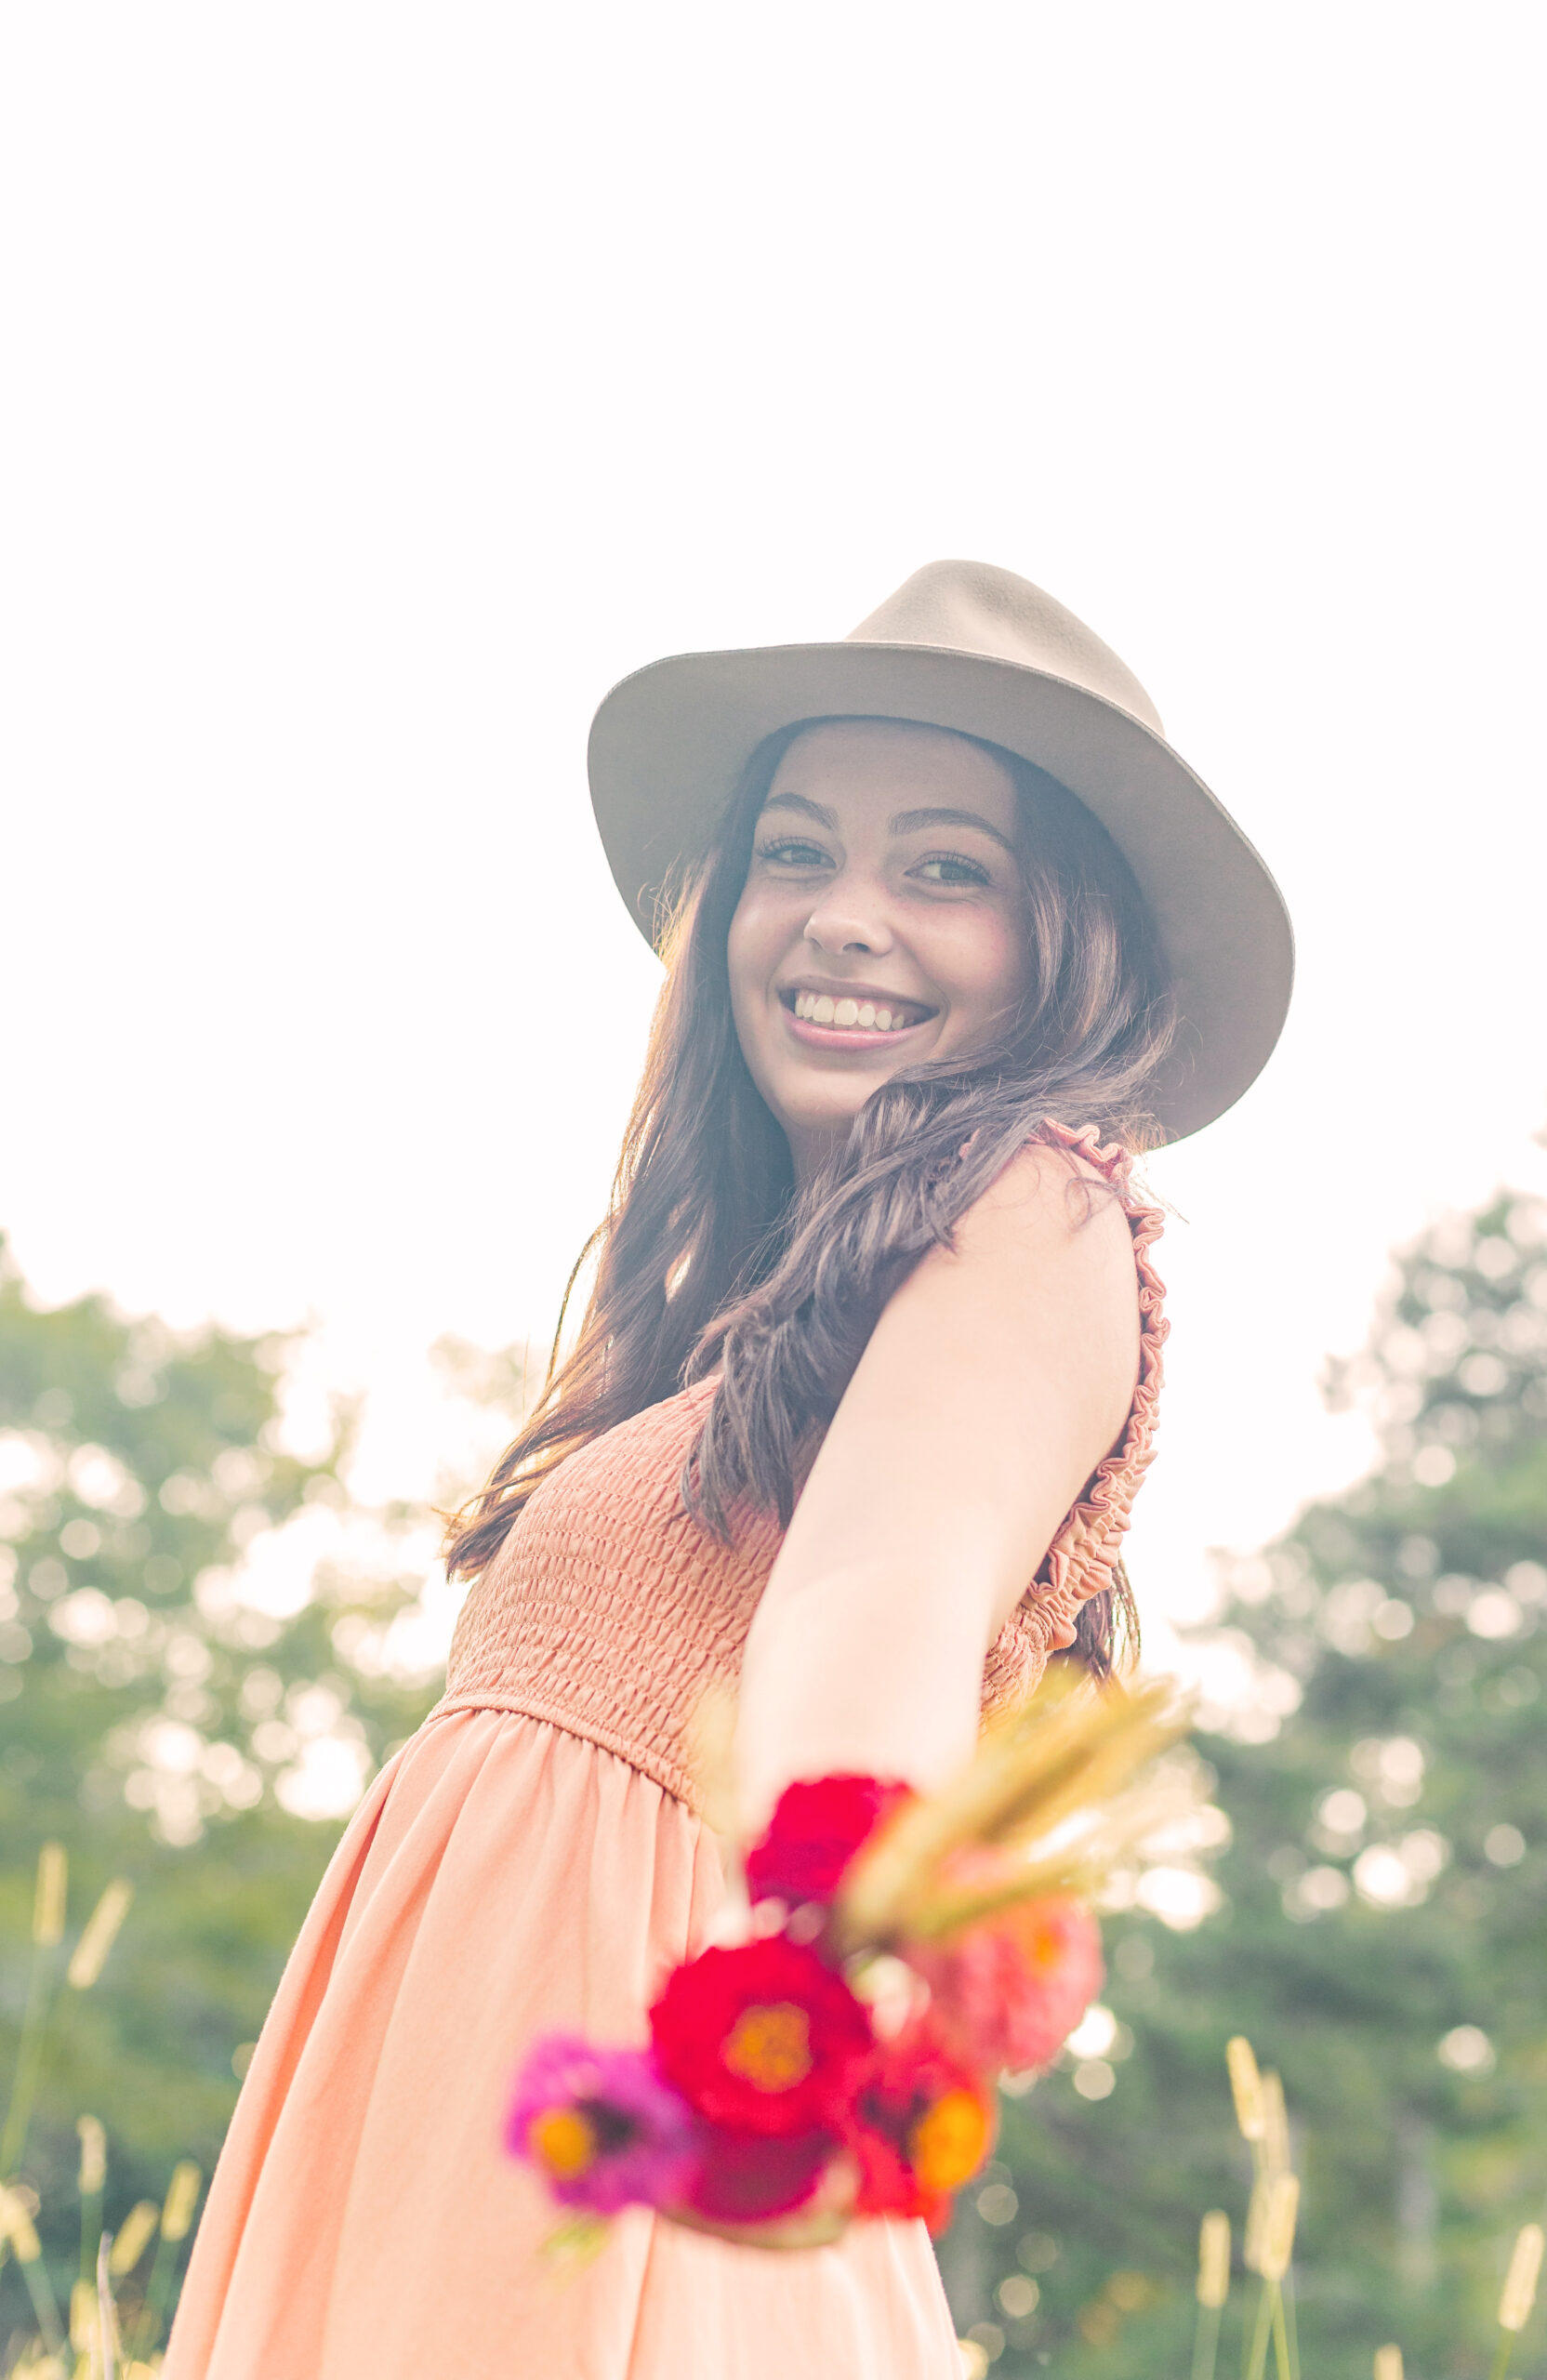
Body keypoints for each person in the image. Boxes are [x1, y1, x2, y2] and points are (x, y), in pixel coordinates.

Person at [165, 559, 1291, 2376]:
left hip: (649, 2092)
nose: (845, 915)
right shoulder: (743, 1324)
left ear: (1069, 939)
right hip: (466, 2082)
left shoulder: (1032, 1203)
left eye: (943, 867)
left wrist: (814, 1969)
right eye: (793, 852)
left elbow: (881, 1600)